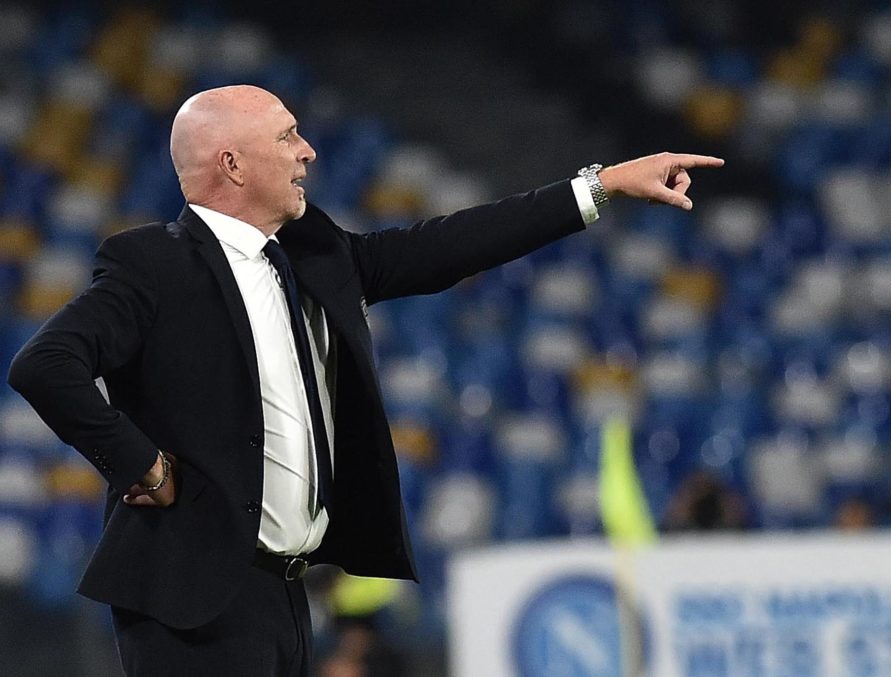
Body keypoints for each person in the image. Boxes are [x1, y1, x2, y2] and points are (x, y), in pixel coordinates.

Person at [7, 84, 724, 676]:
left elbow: (446, 246)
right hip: (192, 599)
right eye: (287, 137)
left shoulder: (311, 255)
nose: (308, 151)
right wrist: (144, 464)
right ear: (232, 164)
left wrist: (599, 186)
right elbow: (44, 364)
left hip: (287, 593)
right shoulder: (152, 265)